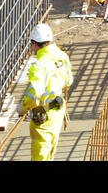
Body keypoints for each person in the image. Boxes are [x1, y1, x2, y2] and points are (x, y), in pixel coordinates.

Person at [23, 22, 73, 162]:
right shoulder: (61, 55)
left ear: (34, 43)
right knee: (51, 151)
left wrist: (24, 107)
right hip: (58, 110)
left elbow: (33, 95)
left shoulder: (39, 65)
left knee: (40, 155)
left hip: (44, 117)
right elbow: (69, 81)